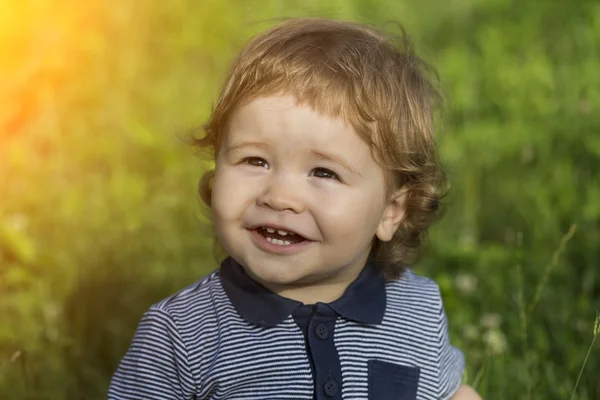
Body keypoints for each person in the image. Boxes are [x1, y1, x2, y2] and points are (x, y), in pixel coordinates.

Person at [108, 18, 482, 400]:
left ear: (391, 211)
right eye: (255, 161)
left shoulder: (415, 309)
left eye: (323, 172)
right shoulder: (182, 333)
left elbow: (451, 394)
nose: (279, 196)